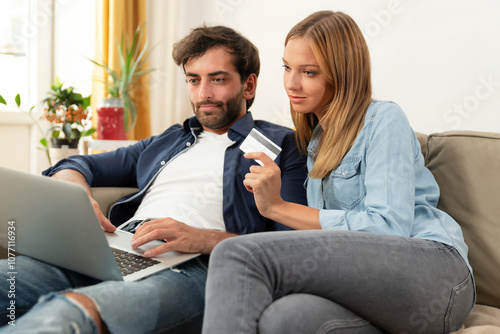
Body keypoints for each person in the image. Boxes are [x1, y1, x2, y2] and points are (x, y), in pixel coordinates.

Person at [0, 26, 307, 334]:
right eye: (193, 80)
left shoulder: (283, 145)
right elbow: (77, 164)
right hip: (114, 250)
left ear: (249, 85)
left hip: (195, 267)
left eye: (217, 79)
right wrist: (79, 198)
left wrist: (203, 239)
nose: (204, 94)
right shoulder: (168, 141)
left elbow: (292, 249)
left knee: (68, 314)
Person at [202, 11, 475, 334]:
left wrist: (278, 208)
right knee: (285, 318)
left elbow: (389, 228)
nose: (292, 83)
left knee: (237, 254)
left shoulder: (383, 119)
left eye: (309, 72)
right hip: (382, 298)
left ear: (342, 74)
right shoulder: (314, 143)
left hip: (436, 276)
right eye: (287, 67)